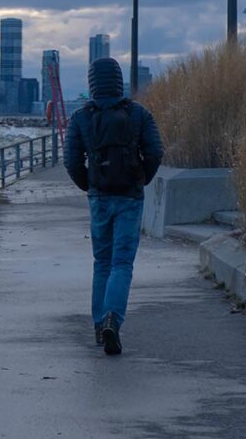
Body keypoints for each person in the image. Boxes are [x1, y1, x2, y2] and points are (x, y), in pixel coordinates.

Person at [63, 57, 163, 356]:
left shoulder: (82, 117)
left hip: (99, 197)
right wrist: (141, 179)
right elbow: (155, 152)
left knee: (102, 262)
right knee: (122, 263)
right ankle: (113, 320)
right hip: (130, 196)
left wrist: (89, 185)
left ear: (92, 82)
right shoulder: (139, 113)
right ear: (119, 81)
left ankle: (98, 324)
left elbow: (71, 161)